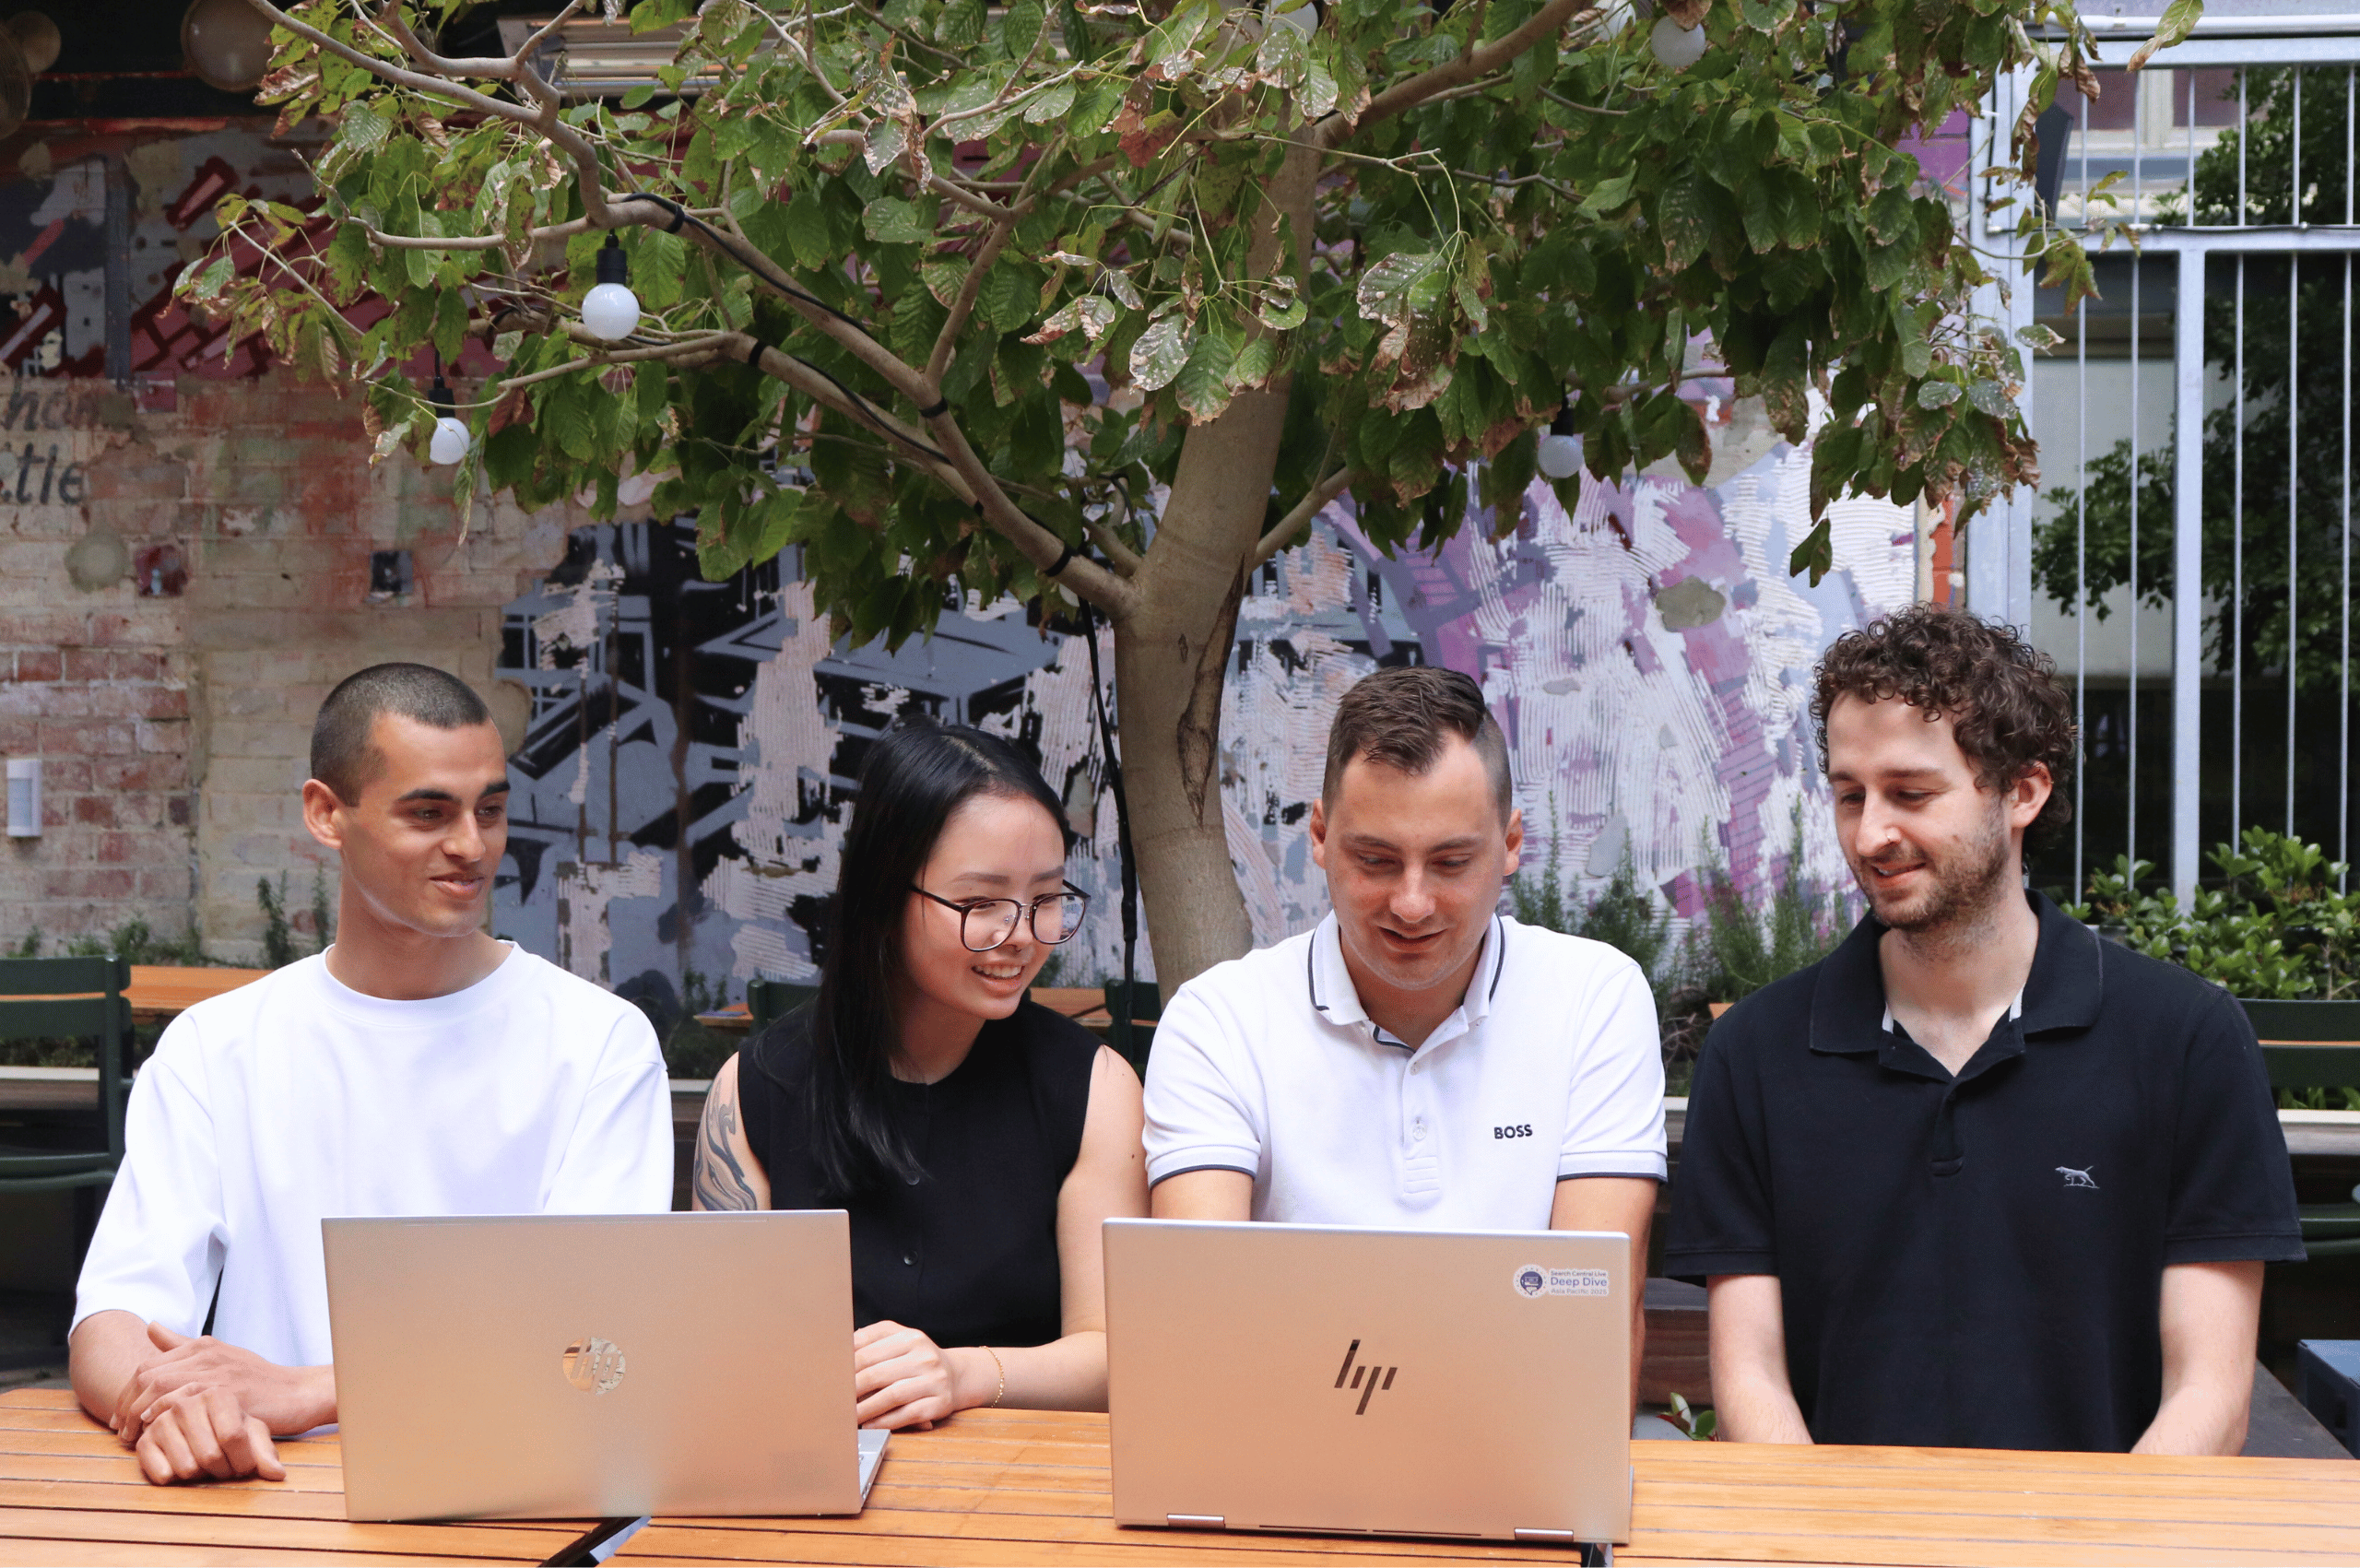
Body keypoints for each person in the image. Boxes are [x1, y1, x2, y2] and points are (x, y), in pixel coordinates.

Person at [1664, 605, 2303, 1453]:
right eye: (1850, 795)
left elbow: (2210, 1396)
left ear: (2023, 791)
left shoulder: (2186, 1039)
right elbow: (1751, 1377)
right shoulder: (1756, 1053)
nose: (1871, 833)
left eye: (1912, 793)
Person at [69, 664, 674, 1486]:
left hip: (515, 1493)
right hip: (266, 1497)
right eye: (430, 812)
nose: (472, 845)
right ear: (327, 813)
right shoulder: (217, 1046)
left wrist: (307, 1391)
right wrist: (175, 1405)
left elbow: (598, 1342)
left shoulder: (599, 1042)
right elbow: (113, 1317)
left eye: (489, 810)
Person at [1143, 666, 1666, 1385]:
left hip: (1517, 1464)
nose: (1412, 903)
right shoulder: (1219, 1020)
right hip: (1285, 1469)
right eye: (1377, 860)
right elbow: (1200, 1317)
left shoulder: (1593, 997)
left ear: (1511, 844)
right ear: (1321, 837)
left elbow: (1589, 1317)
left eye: (1451, 860)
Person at [693, 718, 1147, 1430]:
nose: (1022, 936)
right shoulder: (754, 1090)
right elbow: (717, 1358)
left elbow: (1115, 1357)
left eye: (1048, 897)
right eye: (980, 904)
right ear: (883, 894)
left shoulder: (1095, 1087)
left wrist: (963, 1371)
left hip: (1026, 1490)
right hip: (818, 1487)